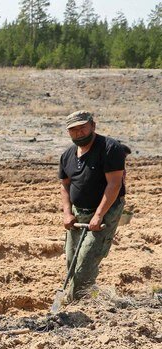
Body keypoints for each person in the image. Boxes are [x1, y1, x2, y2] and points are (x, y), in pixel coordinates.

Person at [58, 110, 127, 300]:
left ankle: (78, 305)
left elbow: (114, 184)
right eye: (74, 130)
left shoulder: (110, 148)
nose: (79, 133)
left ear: (93, 126)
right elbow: (65, 185)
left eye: (82, 128)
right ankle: (83, 297)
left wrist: (98, 215)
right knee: (72, 260)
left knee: (85, 263)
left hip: (105, 211)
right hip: (78, 212)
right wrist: (67, 213)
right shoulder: (67, 155)